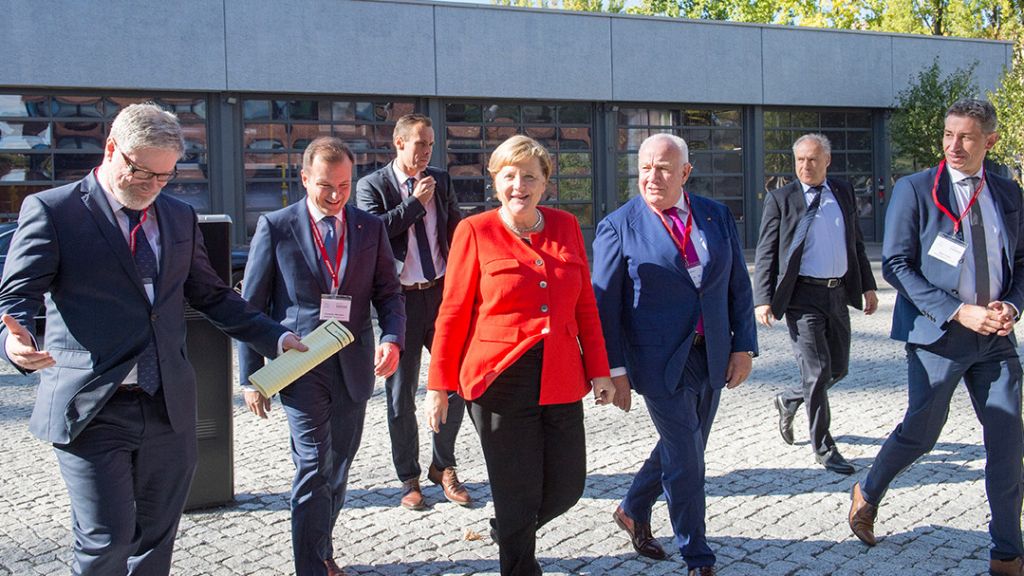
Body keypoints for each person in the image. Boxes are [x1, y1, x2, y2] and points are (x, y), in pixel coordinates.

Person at [0, 102, 303, 576]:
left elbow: (211, 294)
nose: (152, 186)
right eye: (142, 172)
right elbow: (18, 294)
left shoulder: (179, 217)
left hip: (167, 406)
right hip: (92, 406)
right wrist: (13, 341)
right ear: (111, 150)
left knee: (156, 540)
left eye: (164, 177)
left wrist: (275, 337)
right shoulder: (54, 210)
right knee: (106, 541)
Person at [424, 135, 615, 576]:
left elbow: (585, 304)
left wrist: (601, 370)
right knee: (516, 489)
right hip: (499, 380)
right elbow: (451, 313)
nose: (519, 186)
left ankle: (511, 529)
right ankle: (520, 564)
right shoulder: (474, 231)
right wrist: (439, 385)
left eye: (530, 176)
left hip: (562, 374)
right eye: (509, 175)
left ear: (545, 183)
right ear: (495, 181)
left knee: (568, 485)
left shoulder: (566, 225)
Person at [849, 99, 1024, 576]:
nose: (954, 146)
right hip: (937, 337)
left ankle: (1007, 553)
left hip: (996, 339)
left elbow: (1021, 264)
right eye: (948, 135)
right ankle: (869, 488)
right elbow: (897, 266)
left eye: (966, 137)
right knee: (922, 433)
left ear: (990, 141)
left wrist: (1010, 305)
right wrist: (957, 311)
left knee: (1008, 445)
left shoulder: (1008, 193)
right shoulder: (916, 189)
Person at [238, 136, 406, 576]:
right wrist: (250, 378)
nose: (335, 196)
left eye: (345, 186)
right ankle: (311, 566)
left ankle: (322, 546)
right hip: (299, 364)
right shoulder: (276, 226)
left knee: (338, 465)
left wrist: (392, 337)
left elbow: (389, 293)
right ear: (305, 178)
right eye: (325, 187)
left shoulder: (369, 227)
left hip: (353, 364)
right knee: (313, 463)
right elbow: (251, 307)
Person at [591, 133, 758, 576]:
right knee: (687, 457)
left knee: (686, 442)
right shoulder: (618, 226)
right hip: (657, 360)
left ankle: (631, 507)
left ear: (685, 172)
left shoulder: (716, 215)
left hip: (712, 352)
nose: (652, 176)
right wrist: (615, 370)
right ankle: (697, 554)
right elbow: (604, 307)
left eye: (664, 168)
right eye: (645, 167)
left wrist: (743, 345)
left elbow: (736, 284)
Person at [355, 113, 468, 510]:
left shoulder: (441, 179)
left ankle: (444, 465)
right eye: (419, 144)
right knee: (401, 395)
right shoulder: (372, 185)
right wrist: (414, 203)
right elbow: (373, 233)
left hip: (440, 295)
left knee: (456, 384)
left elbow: (456, 230)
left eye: (431, 144)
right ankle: (409, 477)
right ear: (399, 143)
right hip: (398, 302)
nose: (425, 152)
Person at [753, 133, 878, 475]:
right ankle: (823, 447)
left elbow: (856, 243)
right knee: (817, 372)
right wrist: (762, 299)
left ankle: (790, 398)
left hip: (837, 293)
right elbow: (766, 251)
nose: (805, 166)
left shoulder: (842, 192)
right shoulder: (782, 198)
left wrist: (868, 286)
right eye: (800, 161)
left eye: (812, 160)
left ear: (827, 161)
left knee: (838, 369)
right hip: (802, 298)